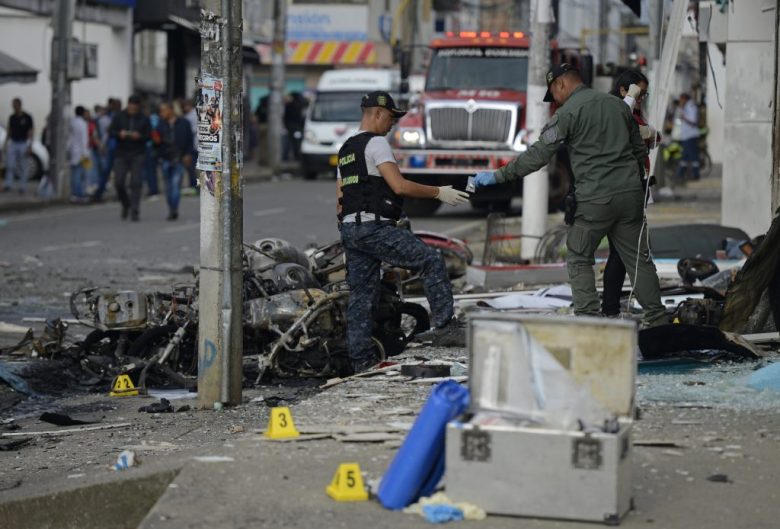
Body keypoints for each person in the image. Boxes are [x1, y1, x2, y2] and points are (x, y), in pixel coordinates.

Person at [473, 64, 668, 327]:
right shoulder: (618, 107)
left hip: (595, 200)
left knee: (578, 255)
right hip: (630, 195)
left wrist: (498, 176)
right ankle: (658, 319)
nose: (553, 100)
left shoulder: (568, 113)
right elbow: (638, 152)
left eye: (552, 93)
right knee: (638, 259)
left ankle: (589, 321)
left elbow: (538, 156)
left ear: (561, 84)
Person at [337, 90, 470, 373]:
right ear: (377, 114)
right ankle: (445, 326)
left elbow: (339, 198)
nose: (392, 125)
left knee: (361, 297)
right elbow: (399, 186)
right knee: (431, 259)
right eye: (390, 118)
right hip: (374, 227)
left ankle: (360, 362)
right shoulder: (377, 144)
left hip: (351, 229)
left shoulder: (346, 150)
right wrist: (438, 192)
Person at [601, 69, 661, 317]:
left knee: (621, 253)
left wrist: (650, 135)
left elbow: (653, 138)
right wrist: (647, 134)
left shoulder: (634, 114)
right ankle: (611, 308)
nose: (641, 99)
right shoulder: (614, 110)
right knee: (625, 253)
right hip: (621, 189)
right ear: (624, 90)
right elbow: (619, 135)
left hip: (637, 186)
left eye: (644, 95)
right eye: (638, 93)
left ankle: (611, 308)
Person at [109, 95, 151, 221]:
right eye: (130, 105)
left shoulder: (144, 118)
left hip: (137, 153)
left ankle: (135, 210)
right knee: (119, 182)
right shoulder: (119, 116)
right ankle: (126, 203)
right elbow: (111, 131)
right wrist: (119, 134)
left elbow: (148, 135)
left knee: (136, 183)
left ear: (138, 107)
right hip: (121, 153)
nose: (132, 108)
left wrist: (139, 136)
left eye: (135, 106)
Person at [156, 102, 193, 220]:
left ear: (171, 110)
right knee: (168, 187)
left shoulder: (184, 123)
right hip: (165, 158)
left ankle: (174, 209)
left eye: (164, 110)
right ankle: (171, 207)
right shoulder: (160, 125)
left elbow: (189, 140)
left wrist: (188, 154)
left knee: (176, 184)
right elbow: (156, 142)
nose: (162, 114)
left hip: (179, 158)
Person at [3, 98, 34, 194]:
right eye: (13, 105)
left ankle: (23, 187)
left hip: (23, 143)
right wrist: (5, 143)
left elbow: (31, 132)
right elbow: (9, 130)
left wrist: (29, 146)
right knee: (10, 164)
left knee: (23, 166)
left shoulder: (27, 117)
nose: (13, 107)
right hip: (13, 142)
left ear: (19, 105)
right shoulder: (12, 117)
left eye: (15, 105)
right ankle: (8, 184)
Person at [675, 93, 700, 182]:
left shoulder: (691, 107)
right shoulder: (685, 107)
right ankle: (680, 175)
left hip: (691, 135)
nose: (680, 102)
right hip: (686, 136)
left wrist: (684, 118)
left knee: (692, 156)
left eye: (681, 99)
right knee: (685, 156)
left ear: (685, 99)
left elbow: (693, 121)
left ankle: (695, 174)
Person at [68, 106, 90, 203]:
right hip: (81, 153)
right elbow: (84, 139)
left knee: (75, 174)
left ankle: (75, 194)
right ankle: (79, 194)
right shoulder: (83, 124)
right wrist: (85, 153)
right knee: (80, 174)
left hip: (73, 151)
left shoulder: (72, 122)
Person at [181, 98, 199, 190]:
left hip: (194, 145)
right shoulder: (192, 115)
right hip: (195, 145)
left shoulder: (190, 116)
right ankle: (195, 184)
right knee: (193, 167)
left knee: (193, 167)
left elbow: (193, 130)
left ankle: (194, 185)